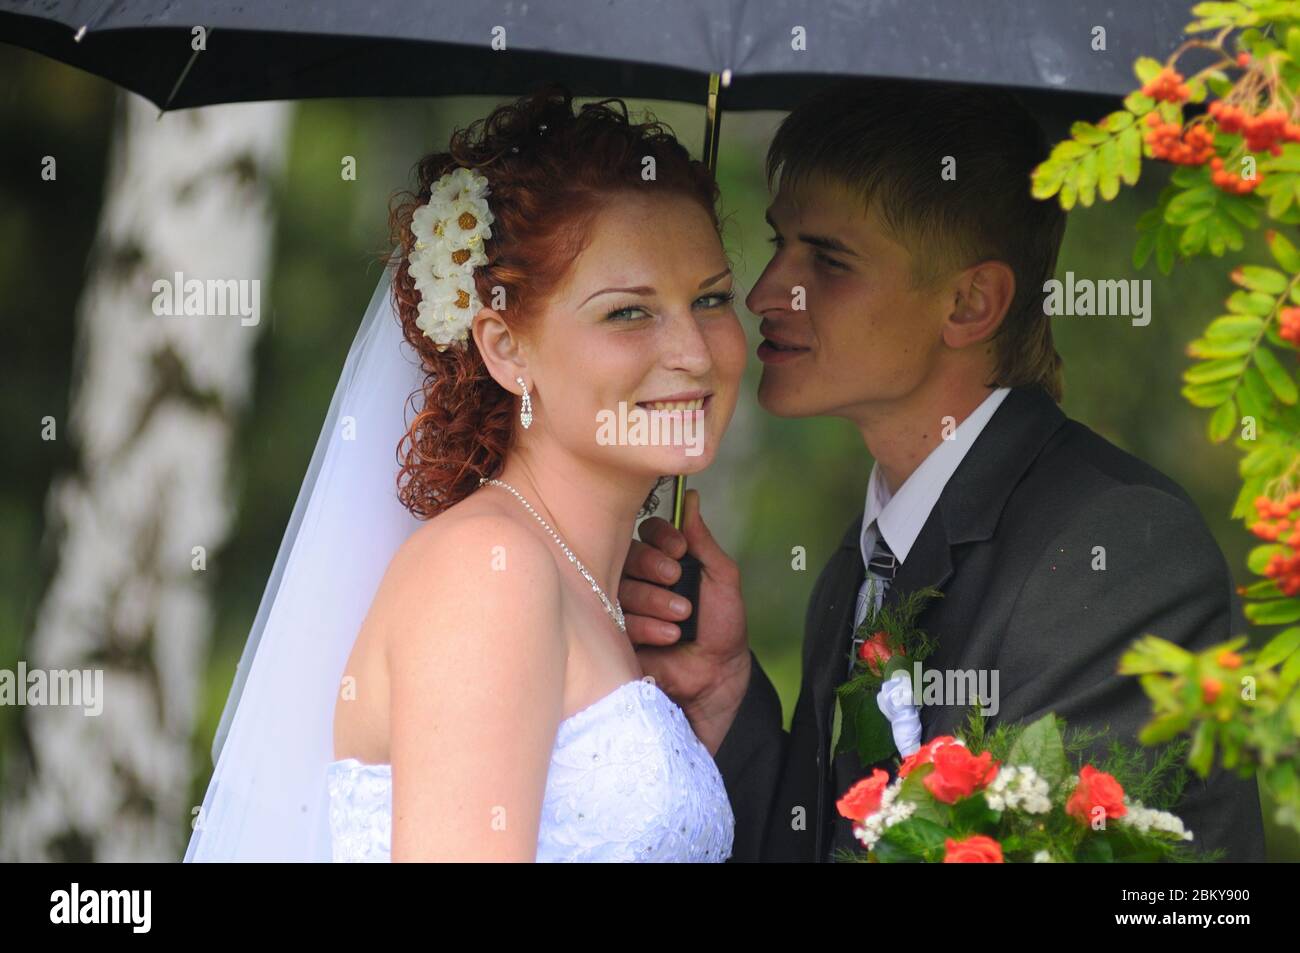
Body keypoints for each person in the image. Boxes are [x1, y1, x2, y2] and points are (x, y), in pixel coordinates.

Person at [620, 78, 1268, 862]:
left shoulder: (1115, 552)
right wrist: (724, 695)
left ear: (970, 304)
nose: (763, 293)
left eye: (827, 259)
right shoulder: (857, 571)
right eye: (779, 242)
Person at [185, 85, 746, 862]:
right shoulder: (493, 573)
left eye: (711, 298)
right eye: (629, 311)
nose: (693, 351)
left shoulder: (584, 589)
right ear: (506, 347)